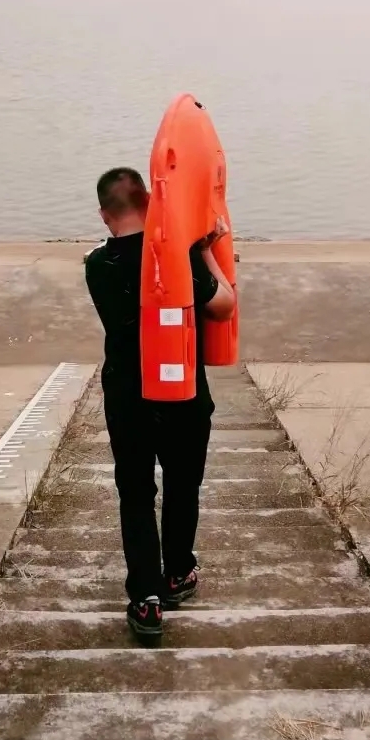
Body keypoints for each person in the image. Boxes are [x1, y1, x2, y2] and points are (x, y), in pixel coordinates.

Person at [84, 166, 236, 641]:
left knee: (135, 492)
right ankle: (177, 575)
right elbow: (224, 305)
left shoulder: (96, 265)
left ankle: (145, 599)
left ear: (105, 214)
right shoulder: (180, 263)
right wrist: (206, 250)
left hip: (128, 396)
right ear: (151, 203)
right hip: (183, 394)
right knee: (182, 484)